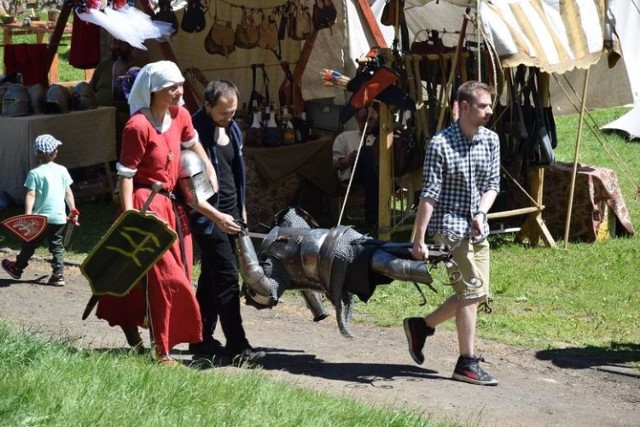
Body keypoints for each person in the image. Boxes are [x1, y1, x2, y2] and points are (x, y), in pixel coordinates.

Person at [94, 60, 217, 365]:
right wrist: (129, 217)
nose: (178, 92)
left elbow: (194, 144)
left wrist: (209, 170)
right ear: (153, 90)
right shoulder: (137, 126)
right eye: (171, 87)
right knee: (164, 279)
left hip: (172, 207)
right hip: (144, 206)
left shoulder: (181, 116)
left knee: (180, 275)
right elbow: (126, 175)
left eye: (178, 85)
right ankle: (162, 352)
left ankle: (146, 340)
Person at [403, 81, 500, 386]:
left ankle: (422, 326)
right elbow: (429, 195)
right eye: (483, 106)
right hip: (448, 229)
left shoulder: (491, 140)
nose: (489, 110)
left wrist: (481, 213)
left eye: (489, 105)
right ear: (464, 106)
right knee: (471, 292)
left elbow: (492, 185)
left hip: (477, 227)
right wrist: (418, 239)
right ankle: (466, 363)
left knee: (478, 293)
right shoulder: (440, 144)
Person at [190, 79, 264, 363]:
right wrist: (216, 217)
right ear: (206, 105)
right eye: (223, 112)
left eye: (232, 112)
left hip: (232, 214)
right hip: (209, 218)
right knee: (226, 278)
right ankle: (237, 345)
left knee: (210, 278)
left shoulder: (232, 128)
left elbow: (237, 172)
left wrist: (241, 209)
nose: (229, 117)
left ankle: (199, 337)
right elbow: (193, 187)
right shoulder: (194, 133)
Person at [2, 134, 78, 286]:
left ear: (36, 153)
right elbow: (67, 192)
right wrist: (73, 210)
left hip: (40, 220)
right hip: (58, 217)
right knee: (57, 244)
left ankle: (17, 268)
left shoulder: (35, 173)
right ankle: (58, 275)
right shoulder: (62, 170)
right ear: (55, 152)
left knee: (30, 244)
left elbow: (31, 194)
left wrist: (28, 214)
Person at [89, 38, 144, 153]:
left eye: (121, 43)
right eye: (114, 43)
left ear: (131, 46)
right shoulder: (103, 66)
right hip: (100, 116)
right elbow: (91, 90)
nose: (117, 47)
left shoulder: (139, 66)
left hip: (124, 115)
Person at [332, 106, 380, 227]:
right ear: (356, 119)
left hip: (380, 175)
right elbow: (335, 163)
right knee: (366, 153)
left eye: (371, 120)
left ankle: (372, 218)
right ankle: (372, 218)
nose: (367, 124)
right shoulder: (345, 137)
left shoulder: (382, 138)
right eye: (363, 120)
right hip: (354, 175)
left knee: (370, 155)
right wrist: (348, 160)